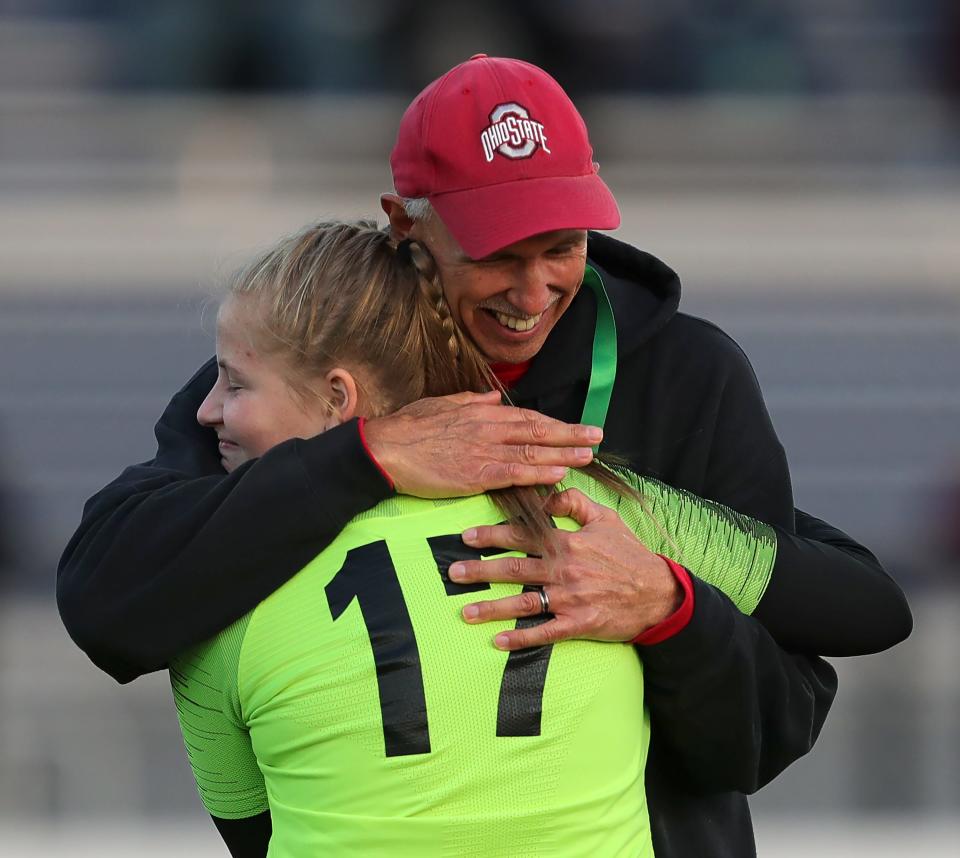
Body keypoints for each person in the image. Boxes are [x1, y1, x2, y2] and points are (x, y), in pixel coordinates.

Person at [58, 56, 912, 858]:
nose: (534, 290)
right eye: (497, 252)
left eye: (562, 246)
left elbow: (776, 724)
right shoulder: (297, 371)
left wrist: (668, 607)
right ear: (405, 225)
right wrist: (369, 458)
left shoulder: (689, 375)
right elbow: (106, 600)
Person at [173, 219, 884, 857]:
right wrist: (667, 597)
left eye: (233, 386)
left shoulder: (209, 593)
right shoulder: (592, 504)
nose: (204, 412)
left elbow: (258, 836)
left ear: (338, 396)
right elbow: (873, 608)